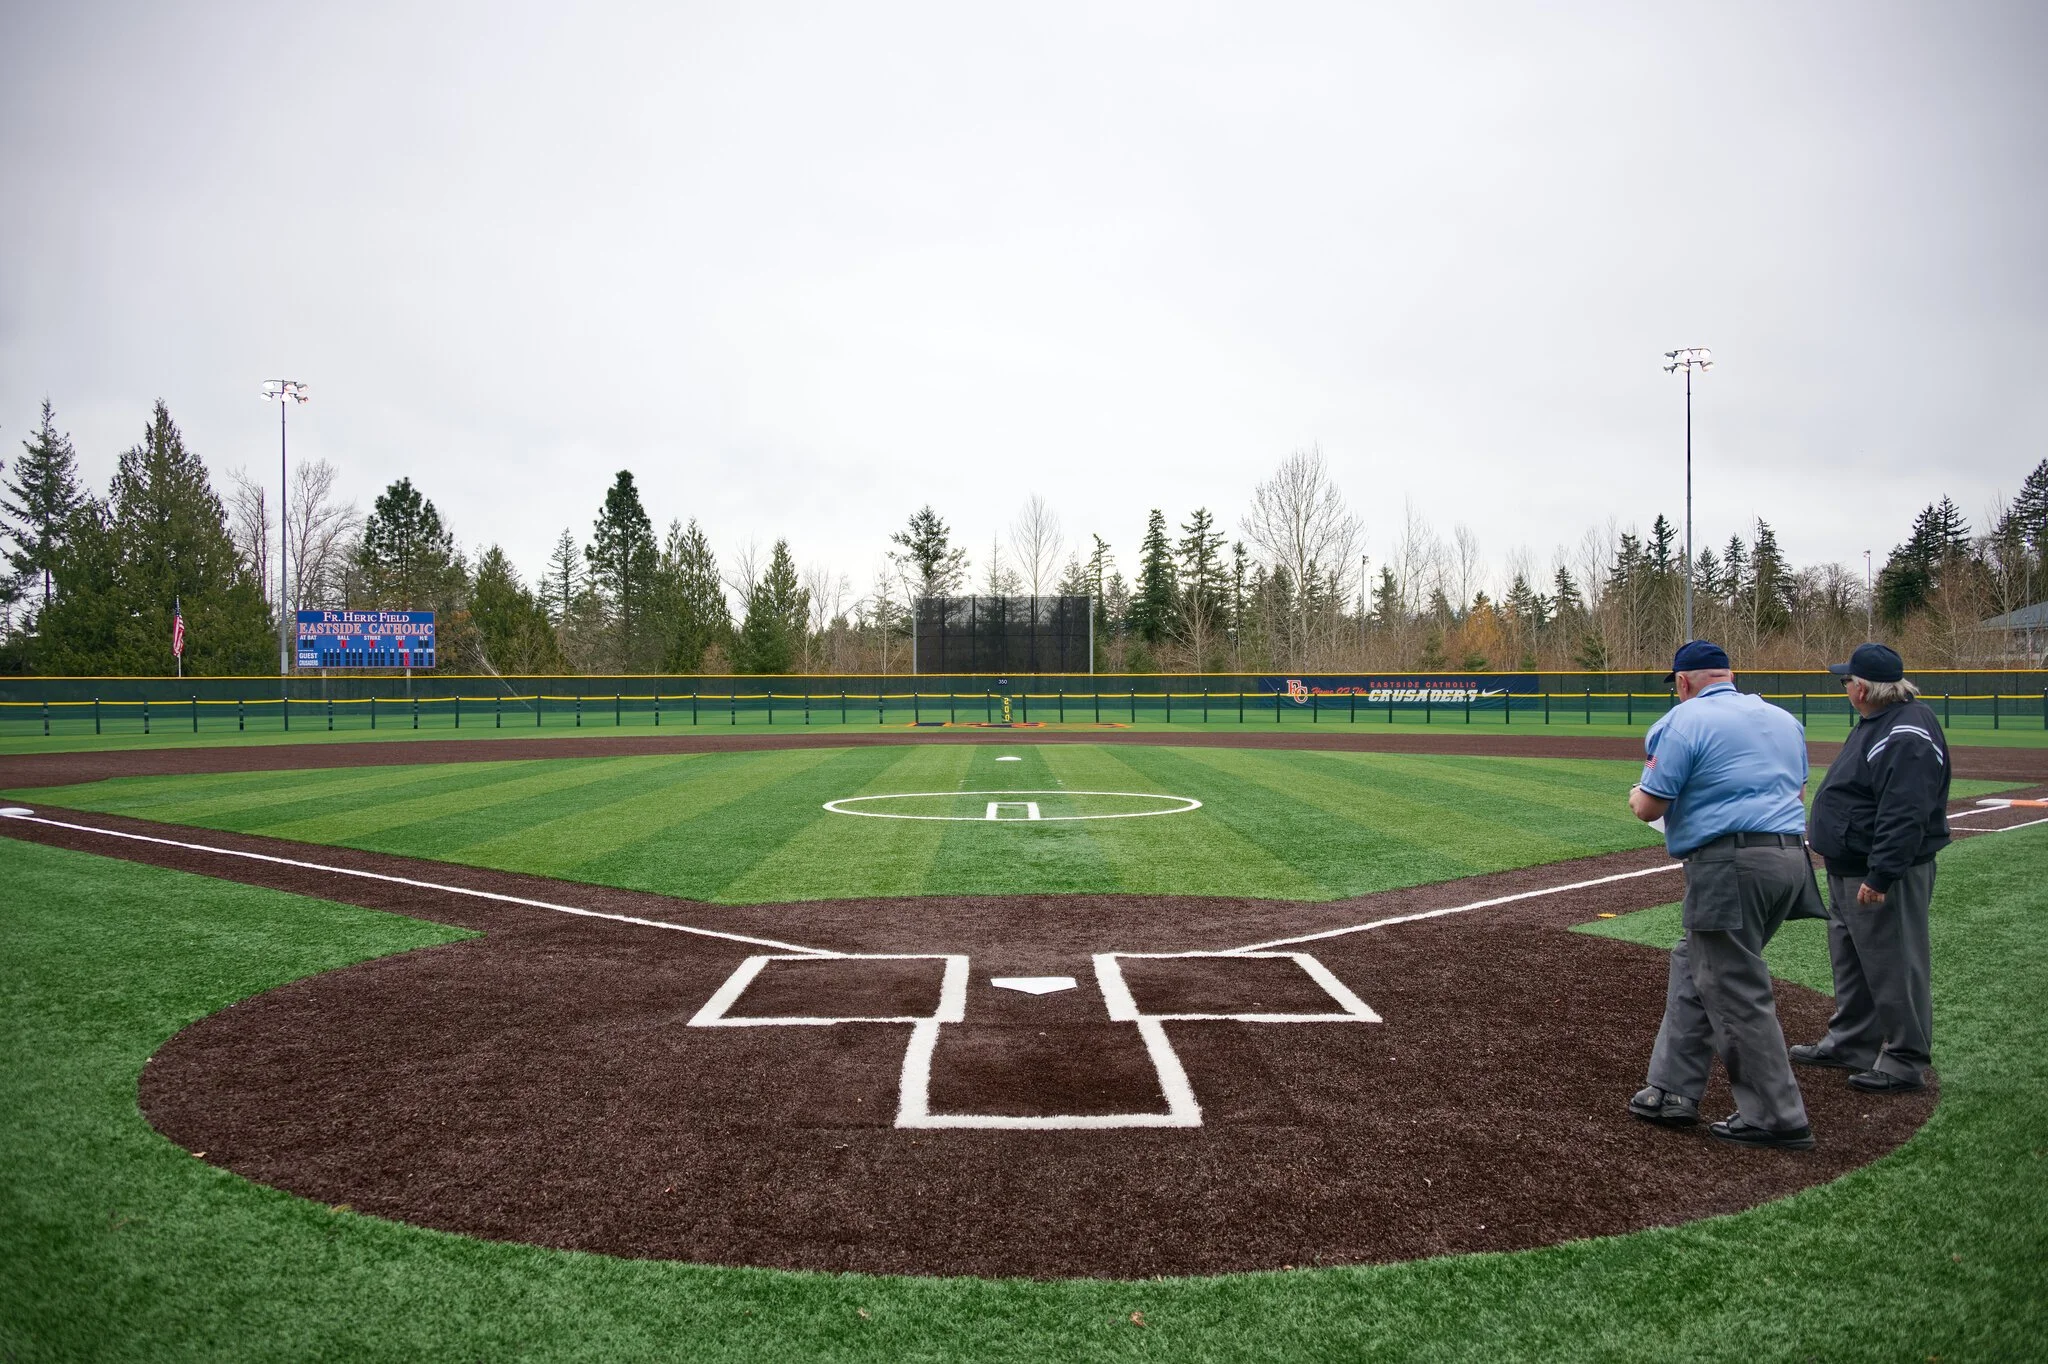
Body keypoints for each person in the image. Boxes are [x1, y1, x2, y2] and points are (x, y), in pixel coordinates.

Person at [1624, 640, 1825, 1150]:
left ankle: (1777, 1116)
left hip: (1730, 865)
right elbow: (1796, 793)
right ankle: (1671, 1089)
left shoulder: (1684, 721)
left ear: (1684, 682)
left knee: (1734, 987)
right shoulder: (1783, 718)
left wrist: (1634, 794)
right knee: (1696, 964)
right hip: (1790, 862)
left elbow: (1650, 807)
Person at [1793, 643, 1950, 1094]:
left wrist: (1881, 874)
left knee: (1894, 962)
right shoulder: (1881, 722)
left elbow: (1905, 811)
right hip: (1849, 865)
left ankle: (1904, 1058)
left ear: (1861, 688)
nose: (1845, 687)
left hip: (1879, 871)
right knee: (1854, 960)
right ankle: (1853, 1042)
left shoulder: (1906, 732)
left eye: (1847, 681)